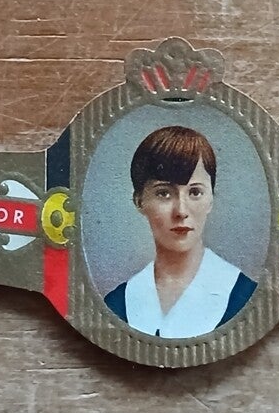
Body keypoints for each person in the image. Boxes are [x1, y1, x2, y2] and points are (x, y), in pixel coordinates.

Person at [104, 126, 257, 338]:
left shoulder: (246, 297)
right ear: (139, 201)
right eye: (164, 193)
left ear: (211, 199)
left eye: (195, 192)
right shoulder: (116, 304)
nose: (181, 211)